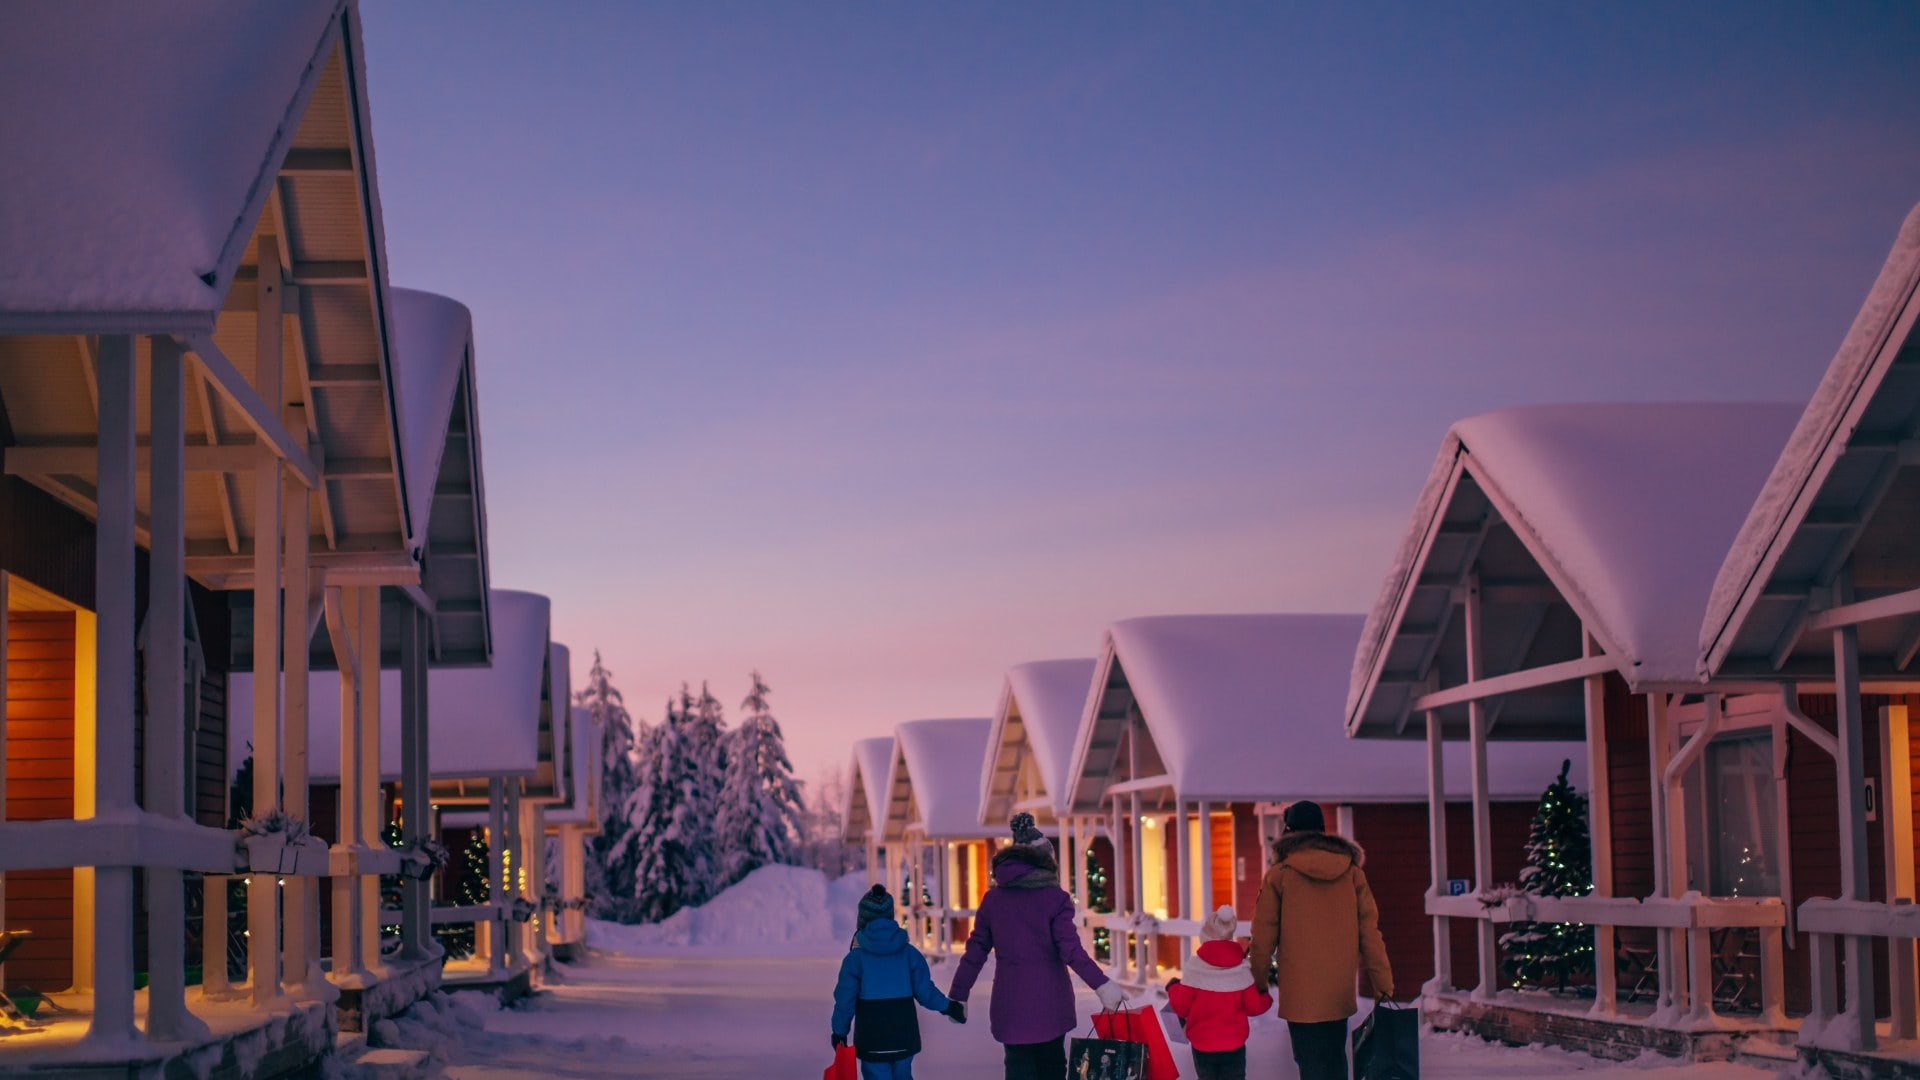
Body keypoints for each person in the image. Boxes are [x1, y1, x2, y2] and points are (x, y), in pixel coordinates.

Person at [948, 813, 1130, 1080]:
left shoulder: (993, 900)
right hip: (1051, 1006)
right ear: (1045, 861)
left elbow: (975, 953)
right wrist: (1102, 985)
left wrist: (958, 995)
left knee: (1018, 1068)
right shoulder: (1054, 899)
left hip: (1010, 1008)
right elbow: (1071, 950)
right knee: (1052, 1068)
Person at [1248, 800, 1392, 1080]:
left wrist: (1258, 982)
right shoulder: (1351, 873)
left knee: (1310, 1064)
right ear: (1322, 831)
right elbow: (1370, 934)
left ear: (1289, 832)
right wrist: (1383, 985)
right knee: (1335, 1062)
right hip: (1337, 991)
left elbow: (1263, 934)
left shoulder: (1280, 875)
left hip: (1300, 993)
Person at [831, 884, 966, 1079]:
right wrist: (948, 1006)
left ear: (862, 919)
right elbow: (925, 992)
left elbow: (845, 1001)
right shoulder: (909, 954)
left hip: (872, 1039)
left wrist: (839, 1031)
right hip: (904, 1036)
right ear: (890, 916)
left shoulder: (855, 960)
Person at [1165, 905, 1272, 1080]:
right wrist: (1265, 996)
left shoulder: (1195, 968)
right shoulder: (1240, 969)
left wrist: (1173, 987)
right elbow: (1254, 1006)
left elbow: (1181, 1007)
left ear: (1205, 936)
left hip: (1203, 1046)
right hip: (1234, 1046)